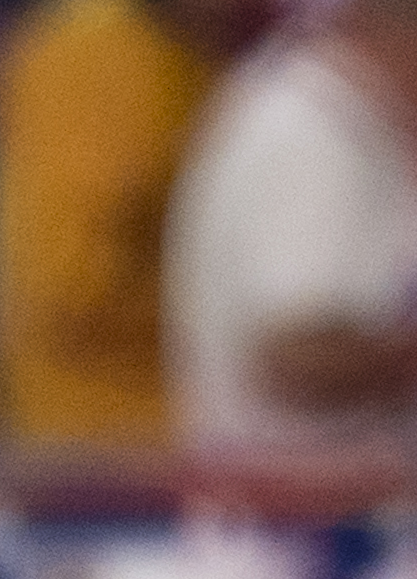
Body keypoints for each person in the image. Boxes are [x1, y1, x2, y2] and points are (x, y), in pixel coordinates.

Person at [0, 0, 275, 447]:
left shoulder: (193, 50)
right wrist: (253, 329)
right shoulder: (95, 50)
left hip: (187, 443)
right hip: (104, 456)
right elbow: (72, 296)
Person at [165, 0, 417, 459]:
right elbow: (296, 357)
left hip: (331, 510)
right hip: (297, 517)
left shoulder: (347, 119)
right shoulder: (312, 133)